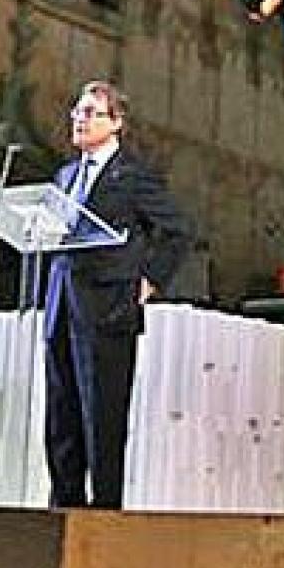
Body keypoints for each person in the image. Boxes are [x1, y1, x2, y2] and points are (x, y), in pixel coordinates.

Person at [44, 80, 191, 509]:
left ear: (117, 123)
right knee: (61, 411)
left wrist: (147, 284)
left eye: (91, 112)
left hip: (109, 309)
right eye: (77, 110)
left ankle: (104, 513)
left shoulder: (134, 176)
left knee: (102, 414)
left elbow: (177, 231)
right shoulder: (65, 176)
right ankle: (63, 507)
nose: (79, 118)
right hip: (61, 304)